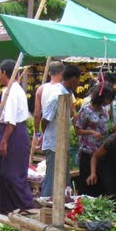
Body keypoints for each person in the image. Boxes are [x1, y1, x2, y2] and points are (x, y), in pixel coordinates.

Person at [0, 59, 36, 216]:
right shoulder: (17, 89)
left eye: (0, 73)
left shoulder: (10, 91)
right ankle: (5, 205)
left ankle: (26, 202)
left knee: (12, 171)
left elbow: (11, 120)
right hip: (14, 131)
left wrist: (4, 140)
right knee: (4, 170)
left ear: (4, 73)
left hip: (13, 133)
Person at [40, 63, 81, 198]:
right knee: (52, 176)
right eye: (78, 80)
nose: (78, 83)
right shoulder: (57, 95)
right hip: (54, 143)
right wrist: (43, 136)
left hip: (63, 142)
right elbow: (45, 119)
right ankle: (46, 204)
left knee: (63, 177)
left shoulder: (67, 94)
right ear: (73, 79)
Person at [75, 84, 116, 196]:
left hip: (101, 151)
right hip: (88, 151)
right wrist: (91, 132)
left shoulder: (104, 110)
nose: (109, 101)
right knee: (87, 184)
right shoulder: (86, 110)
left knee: (99, 185)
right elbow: (78, 130)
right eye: (108, 98)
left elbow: (105, 127)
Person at [33, 60, 63, 149]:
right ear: (62, 73)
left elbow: (36, 115)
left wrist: (38, 134)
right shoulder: (64, 90)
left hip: (47, 134)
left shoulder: (41, 89)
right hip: (61, 134)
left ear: (49, 73)